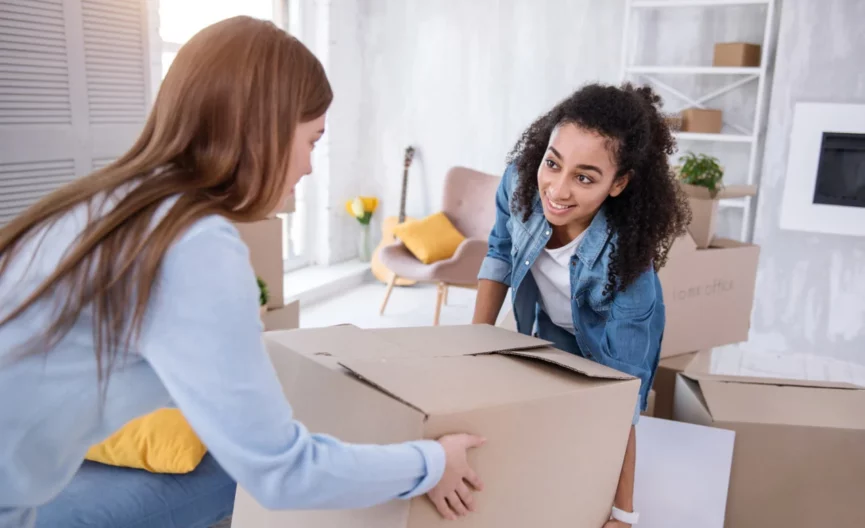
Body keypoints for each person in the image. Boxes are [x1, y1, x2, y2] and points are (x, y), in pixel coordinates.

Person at [0, 17, 484, 527]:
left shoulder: (108, 203)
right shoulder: (190, 242)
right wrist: (432, 462)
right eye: (312, 141)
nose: (309, 167)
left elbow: (114, 366)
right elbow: (283, 472)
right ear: (263, 132)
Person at [473, 83, 690, 527]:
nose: (557, 189)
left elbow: (623, 396)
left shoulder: (631, 275)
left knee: (595, 431)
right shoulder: (518, 182)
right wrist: (469, 345)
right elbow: (498, 251)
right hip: (549, 328)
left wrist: (624, 513)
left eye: (585, 177)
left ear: (619, 184)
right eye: (553, 163)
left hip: (604, 341)